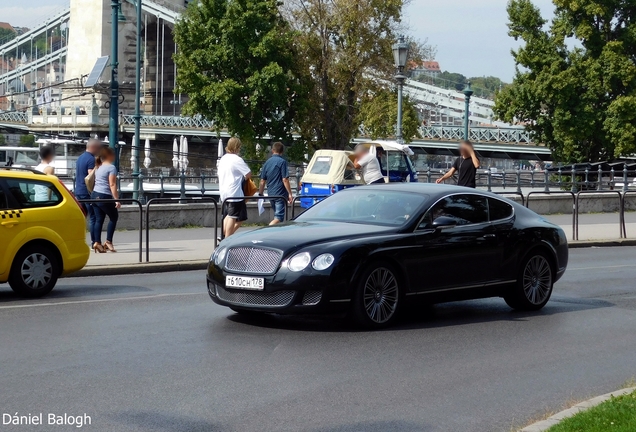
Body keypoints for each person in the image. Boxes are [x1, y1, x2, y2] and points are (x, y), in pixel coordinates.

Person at [218, 137, 251, 237]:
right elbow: (248, 174)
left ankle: (223, 236)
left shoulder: (223, 158)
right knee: (232, 216)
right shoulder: (237, 160)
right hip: (234, 192)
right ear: (237, 147)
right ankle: (227, 239)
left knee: (229, 215)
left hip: (224, 192)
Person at [90, 147, 120, 253]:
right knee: (114, 217)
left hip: (94, 195)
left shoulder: (98, 166)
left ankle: (97, 242)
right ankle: (108, 241)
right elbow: (112, 184)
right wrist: (116, 199)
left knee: (99, 219)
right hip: (104, 196)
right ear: (109, 156)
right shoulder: (111, 167)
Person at [258, 142, 293, 225]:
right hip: (280, 193)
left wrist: (260, 194)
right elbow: (285, 179)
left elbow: (262, 180)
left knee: (276, 215)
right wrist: (290, 194)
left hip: (271, 193)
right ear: (282, 151)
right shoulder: (282, 162)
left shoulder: (267, 163)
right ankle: (266, 230)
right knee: (279, 217)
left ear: (272, 150)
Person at [75, 139, 101, 245]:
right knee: (93, 217)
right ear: (93, 147)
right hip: (87, 192)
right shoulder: (91, 159)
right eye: (98, 148)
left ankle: (78, 241)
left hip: (78, 191)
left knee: (82, 217)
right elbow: (90, 176)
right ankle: (94, 241)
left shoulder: (80, 158)